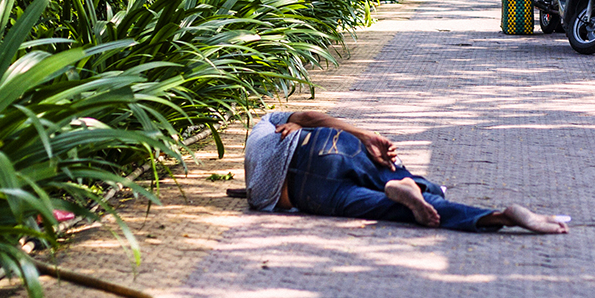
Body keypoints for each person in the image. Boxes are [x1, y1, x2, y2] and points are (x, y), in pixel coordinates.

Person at [243, 109, 567, 234]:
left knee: (400, 205)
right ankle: (498, 214)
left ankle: (498, 217)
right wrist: (364, 135)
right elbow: (310, 117)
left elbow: (256, 196)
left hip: (300, 192)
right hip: (327, 143)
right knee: (404, 180)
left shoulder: (255, 176)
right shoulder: (267, 123)